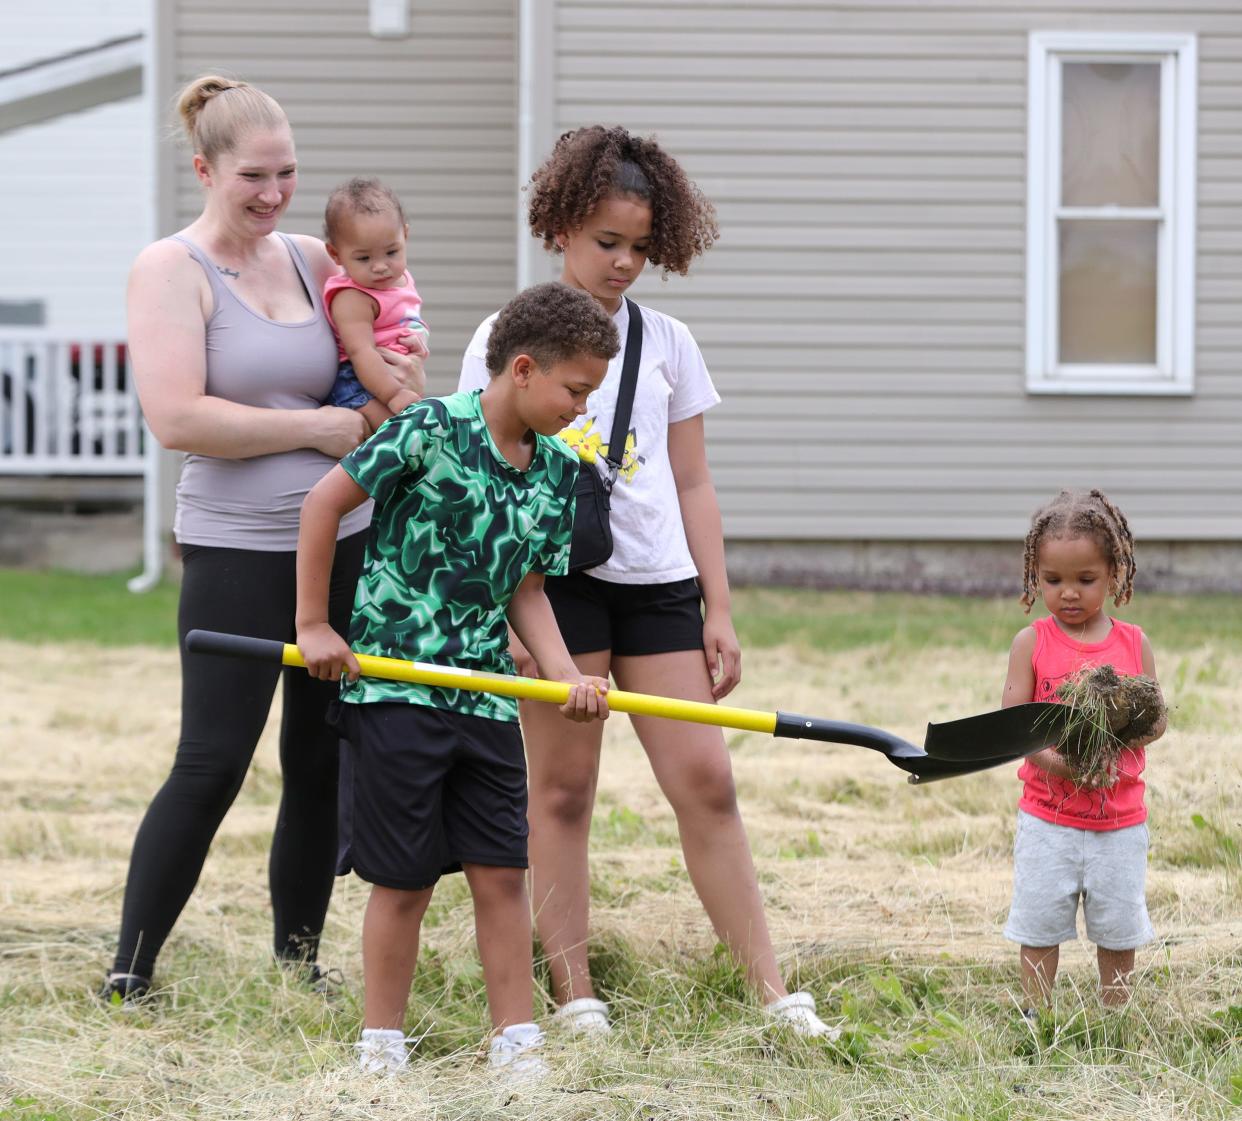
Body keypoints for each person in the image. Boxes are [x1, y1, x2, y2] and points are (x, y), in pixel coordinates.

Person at [458, 125, 835, 1039]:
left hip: (660, 585)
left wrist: (720, 605)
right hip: (557, 589)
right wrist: (507, 609)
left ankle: (773, 991)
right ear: (560, 228)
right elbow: (483, 478)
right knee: (562, 789)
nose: (624, 263)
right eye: (605, 243)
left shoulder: (669, 341)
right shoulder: (504, 338)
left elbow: (693, 479)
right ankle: (575, 991)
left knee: (707, 779)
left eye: (639, 246)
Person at [103, 75, 424, 1003]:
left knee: (322, 758)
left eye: (287, 173)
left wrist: (394, 373)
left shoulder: (310, 256)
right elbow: (177, 418)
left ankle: (298, 962)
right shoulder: (171, 269)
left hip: (346, 536)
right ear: (204, 168)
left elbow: (384, 333)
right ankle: (131, 971)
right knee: (212, 759)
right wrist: (317, 432)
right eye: (253, 175)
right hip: (237, 545)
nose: (274, 193)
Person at [296, 281, 616, 1077]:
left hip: (486, 698)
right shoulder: (430, 427)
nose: (581, 410)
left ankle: (516, 1041)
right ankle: (382, 1046)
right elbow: (322, 504)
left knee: (501, 870)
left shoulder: (552, 474)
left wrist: (566, 672)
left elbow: (528, 592)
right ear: (522, 367)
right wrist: (313, 623)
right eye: (574, 390)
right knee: (402, 879)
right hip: (397, 692)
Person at [1000, 489, 1166, 1011]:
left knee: (1117, 926)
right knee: (1040, 919)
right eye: (1053, 581)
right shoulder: (1032, 642)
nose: (1068, 593)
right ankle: (1036, 1014)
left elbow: (1154, 720)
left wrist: (1114, 743)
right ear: (1036, 577)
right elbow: (1013, 726)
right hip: (1048, 819)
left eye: (1085, 580)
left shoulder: (1133, 643)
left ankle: (1113, 1016)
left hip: (1118, 819)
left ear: (1114, 575)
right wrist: (1062, 765)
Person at [322, 176, 430, 435]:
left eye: (391, 252)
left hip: (395, 377)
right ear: (336, 254)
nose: (381, 266)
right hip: (360, 385)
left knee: (419, 440)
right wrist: (394, 394)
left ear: (405, 234)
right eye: (364, 257)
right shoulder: (353, 297)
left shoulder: (400, 279)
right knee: (404, 440)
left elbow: (405, 321)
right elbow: (362, 352)